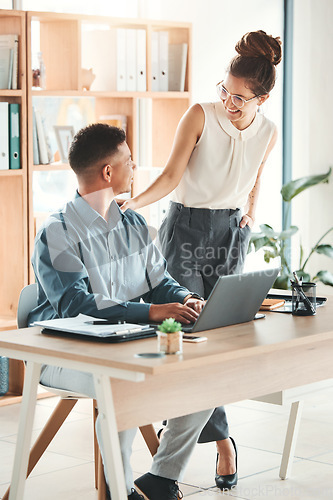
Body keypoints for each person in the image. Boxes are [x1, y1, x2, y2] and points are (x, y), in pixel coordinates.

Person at [120, 30, 282, 490]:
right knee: (189, 335)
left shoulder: (268, 132)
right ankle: (215, 445)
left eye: (240, 99)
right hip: (187, 228)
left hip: (231, 236)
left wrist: (251, 212)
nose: (230, 103)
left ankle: (202, 446)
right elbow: (172, 174)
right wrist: (134, 202)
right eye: (225, 93)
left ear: (262, 99)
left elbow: (255, 177)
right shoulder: (200, 115)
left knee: (219, 341)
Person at [28, 123, 214, 500]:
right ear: (108, 173)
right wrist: (153, 313)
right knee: (122, 384)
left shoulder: (132, 222)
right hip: (64, 353)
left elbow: (161, 282)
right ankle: (121, 490)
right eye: (129, 159)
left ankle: (160, 479)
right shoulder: (56, 232)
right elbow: (76, 305)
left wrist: (186, 297)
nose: (135, 165)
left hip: (126, 343)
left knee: (206, 373)